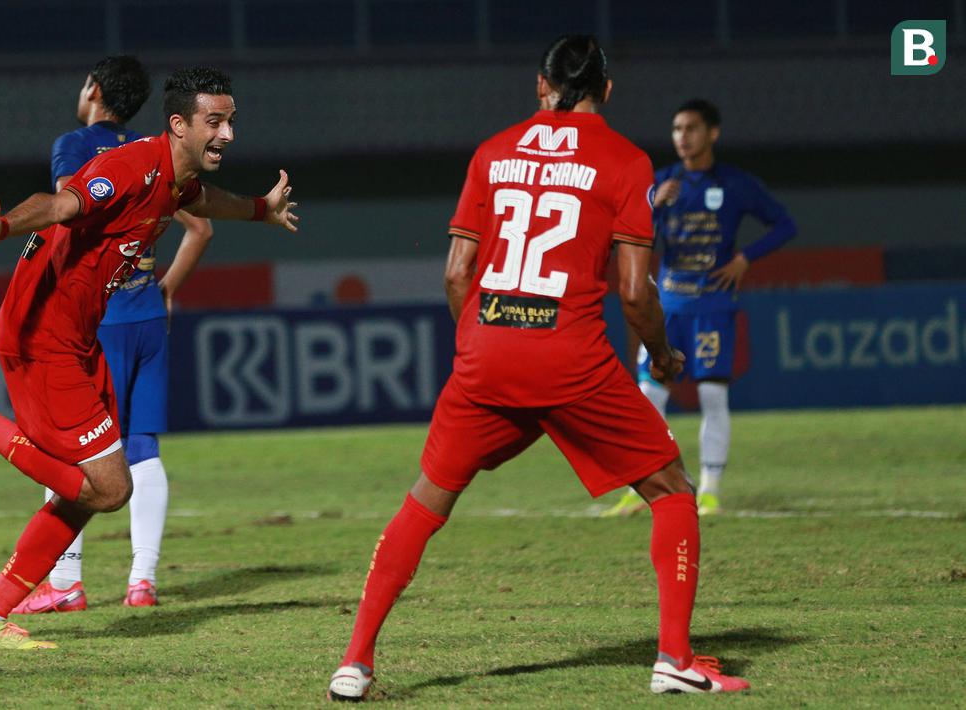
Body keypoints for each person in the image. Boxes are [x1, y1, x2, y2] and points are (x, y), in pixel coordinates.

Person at [327, 36, 749, 700]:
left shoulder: (492, 152)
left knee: (426, 499)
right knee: (670, 489)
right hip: (569, 357)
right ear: (606, 90)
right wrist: (661, 354)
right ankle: (672, 659)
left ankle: (354, 664)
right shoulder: (625, 160)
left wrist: (479, 347)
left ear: (539, 85)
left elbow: (456, 273)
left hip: (486, 354)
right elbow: (636, 293)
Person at [0, 67, 299, 651]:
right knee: (109, 488)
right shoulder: (131, 166)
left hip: (78, 338)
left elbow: (205, 201)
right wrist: (4, 224)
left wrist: (258, 209)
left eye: (230, 122)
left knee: (88, 490)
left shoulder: (178, 179)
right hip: (42, 335)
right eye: (215, 122)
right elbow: (63, 203)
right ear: (179, 124)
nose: (228, 135)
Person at [11, 56, 214, 616]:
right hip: (148, 312)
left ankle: (66, 583)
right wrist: (168, 286)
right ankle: (142, 581)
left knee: (69, 450)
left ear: (94, 91)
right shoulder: (155, 151)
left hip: (97, 318)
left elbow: (69, 216)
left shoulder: (75, 145)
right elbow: (201, 226)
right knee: (142, 448)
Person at [602, 98, 796, 518]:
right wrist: (650, 205)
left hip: (712, 306)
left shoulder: (734, 184)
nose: (682, 137)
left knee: (711, 395)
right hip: (666, 308)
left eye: (690, 128)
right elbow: (620, 233)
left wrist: (746, 258)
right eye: (676, 129)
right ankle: (642, 488)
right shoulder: (661, 184)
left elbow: (785, 224)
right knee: (648, 394)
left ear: (713, 133)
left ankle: (709, 490)